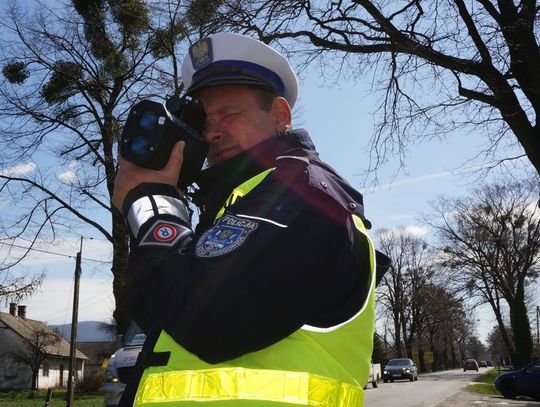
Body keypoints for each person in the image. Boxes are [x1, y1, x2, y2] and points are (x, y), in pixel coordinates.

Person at [113, 32, 389, 407]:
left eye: (229, 113)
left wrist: (150, 202)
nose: (211, 131)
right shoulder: (236, 203)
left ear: (279, 116)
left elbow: (210, 323)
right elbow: (158, 308)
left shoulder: (304, 191)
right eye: (203, 118)